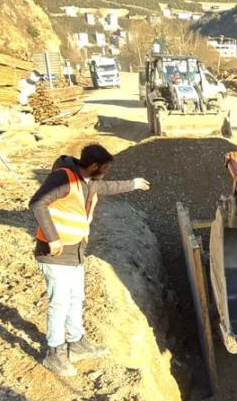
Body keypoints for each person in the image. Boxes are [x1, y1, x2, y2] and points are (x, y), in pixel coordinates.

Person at [28, 144, 151, 377]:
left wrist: (133, 184)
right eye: (103, 167)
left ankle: (76, 342)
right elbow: (37, 203)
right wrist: (52, 238)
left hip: (75, 250)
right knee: (59, 303)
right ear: (94, 165)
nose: (105, 172)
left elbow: (108, 187)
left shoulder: (88, 181)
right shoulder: (63, 179)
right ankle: (54, 352)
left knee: (76, 297)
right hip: (55, 253)